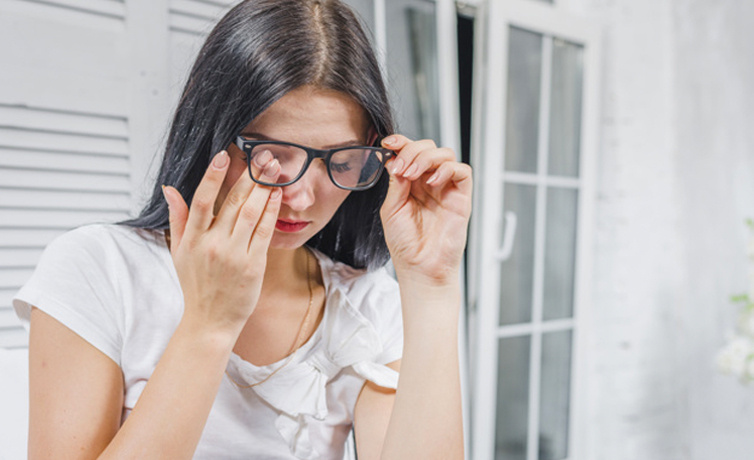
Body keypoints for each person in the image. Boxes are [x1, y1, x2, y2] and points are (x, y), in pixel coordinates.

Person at [13, 0, 472, 458]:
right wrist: (209, 324)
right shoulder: (99, 269)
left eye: (342, 160)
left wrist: (431, 284)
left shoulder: (368, 307)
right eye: (270, 155)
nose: (303, 197)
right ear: (211, 131)